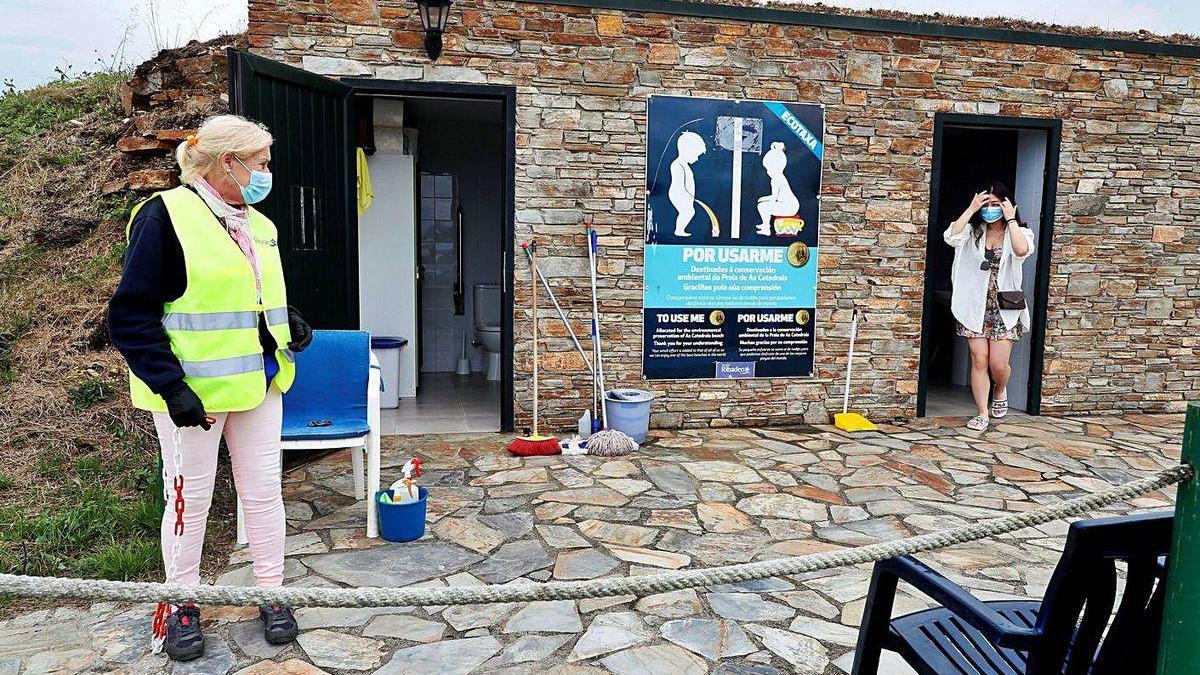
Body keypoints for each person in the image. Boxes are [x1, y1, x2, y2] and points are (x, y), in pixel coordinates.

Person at [108, 114, 313, 661]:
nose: (268, 171)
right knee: (189, 500)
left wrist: (288, 321)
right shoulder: (165, 217)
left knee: (265, 493)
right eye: (262, 162)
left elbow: (245, 297)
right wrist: (170, 386)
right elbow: (131, 315)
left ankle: (271, 593)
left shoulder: (259, 224)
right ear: (230, 163)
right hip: (190, 398)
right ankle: (180, 606)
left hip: (260, 386)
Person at [944, 181, 1034, 431]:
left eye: (996, 204)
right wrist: (971, 209)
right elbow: (950, 236)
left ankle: (1001, 388)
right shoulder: (972, 232)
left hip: (1004, 307)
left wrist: (1012, 219)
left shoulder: (1021, 231)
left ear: (1007, 205)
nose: (991, 209)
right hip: (974, 305)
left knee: (998, 365)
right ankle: (982, 413)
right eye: (987, 204)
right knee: (979, 360)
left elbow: (1021, 250)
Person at [756, 141, 799, 235]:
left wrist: (762, 199)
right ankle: (765, 225)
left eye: (768, 169)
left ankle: (766, 228)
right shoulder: (780, 177)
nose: (768, 172)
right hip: (790, 205)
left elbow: (774, 198)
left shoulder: (776, 180)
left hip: (789, 207)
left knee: (762, 206)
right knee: (763, 205)